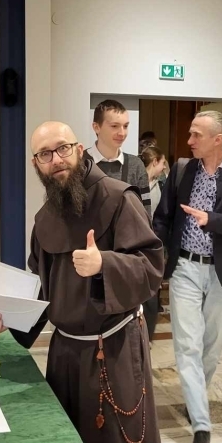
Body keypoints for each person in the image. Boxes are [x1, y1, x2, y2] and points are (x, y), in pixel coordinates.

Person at [0, 121, 173, 443]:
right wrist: (7, 316)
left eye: (62, 149)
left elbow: (151, 268)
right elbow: (41, 288)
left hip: (114, 348)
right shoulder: (44, 220)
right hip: (65, 351)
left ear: (80, 148)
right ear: (36, 164)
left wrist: (105, 265)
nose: (56, 160)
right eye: (45, 155)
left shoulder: (118, 199)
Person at [152, 111, 222, 443]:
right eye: (190, 134)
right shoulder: (182, 171)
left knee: (211, 347)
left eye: (196, 135)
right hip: (185, 267)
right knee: (187, 345)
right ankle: (201, 425)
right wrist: (152, 254)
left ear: (218, 139)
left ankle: (195, 397)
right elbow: (163, 218)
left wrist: (210, 220)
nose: (189, 141)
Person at [90, 99, 160, 338]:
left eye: (126, 126)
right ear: (96, 127)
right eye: (114, 126)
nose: (122, 132)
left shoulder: (135, 165)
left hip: (126, 256)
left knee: (124, 327)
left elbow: (145, 215)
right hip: (92, 255)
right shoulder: (82, 163)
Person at [140, 140, 169, 340]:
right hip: (136, 244)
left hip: (155, 246)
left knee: (152, 294)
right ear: (155, 161)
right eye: (163, 162)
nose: (164, 167)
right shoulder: (135, 183)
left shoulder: (162, 185)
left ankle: (147, 337)